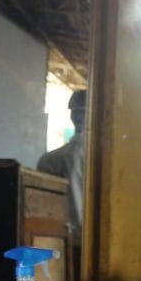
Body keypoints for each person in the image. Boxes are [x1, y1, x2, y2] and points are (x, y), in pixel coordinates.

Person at [37, 89, 87, 234]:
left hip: (68, 235)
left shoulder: (53, 159)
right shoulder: (56, 158)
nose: (78, 117)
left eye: (81, 113)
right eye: (76, 112)